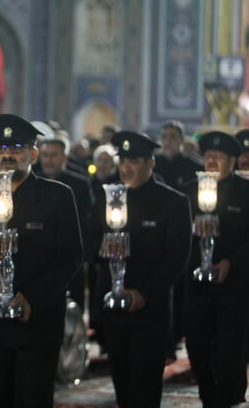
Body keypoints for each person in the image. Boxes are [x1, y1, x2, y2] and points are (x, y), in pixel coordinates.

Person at [0, 114, 83, 408]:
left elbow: (70, 257)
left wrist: (33, 298)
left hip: (37, 323)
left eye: (17, 148)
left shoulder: (57, 196)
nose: (8, 154)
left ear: (33, 153)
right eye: (2, 147)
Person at [87, 131, 192, 408]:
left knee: (144, 388)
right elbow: (88, 241)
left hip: (150, 310)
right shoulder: (109, 197)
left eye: (133, 161)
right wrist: (104, 248)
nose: (125, 168)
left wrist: (144, 294)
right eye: (123, 161)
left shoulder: (173, 202)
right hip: (113, 308)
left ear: (150, 162)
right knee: (122, 386)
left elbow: (176, 258)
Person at [183, 131, 249, 408]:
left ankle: (227, 399)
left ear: (232, 160)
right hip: (197, 286)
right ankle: (208, 395)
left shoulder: (245, 192)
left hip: (234, 287)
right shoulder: (188, 191)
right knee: (197, 348)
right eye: (208, 156)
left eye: (218, 157)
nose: (211, 161)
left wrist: (230, 263)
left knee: (229, 352)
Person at [153, 119, 202, 361]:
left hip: (186, 238)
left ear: (182, 140)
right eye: (165, 136)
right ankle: (164, 340)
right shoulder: (153, 165)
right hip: (156, 237)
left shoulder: (193, 167)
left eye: (173, 137)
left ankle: (178, 335)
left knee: (181, 291)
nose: (168, 141)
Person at [35, 133, 93, 310]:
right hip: (37, 260)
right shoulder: (33, 182)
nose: (49, 160)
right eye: (45, 155)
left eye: (54, 155)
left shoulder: (79, 184)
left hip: (69, 258)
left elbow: (86, 222)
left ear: (65, 157)